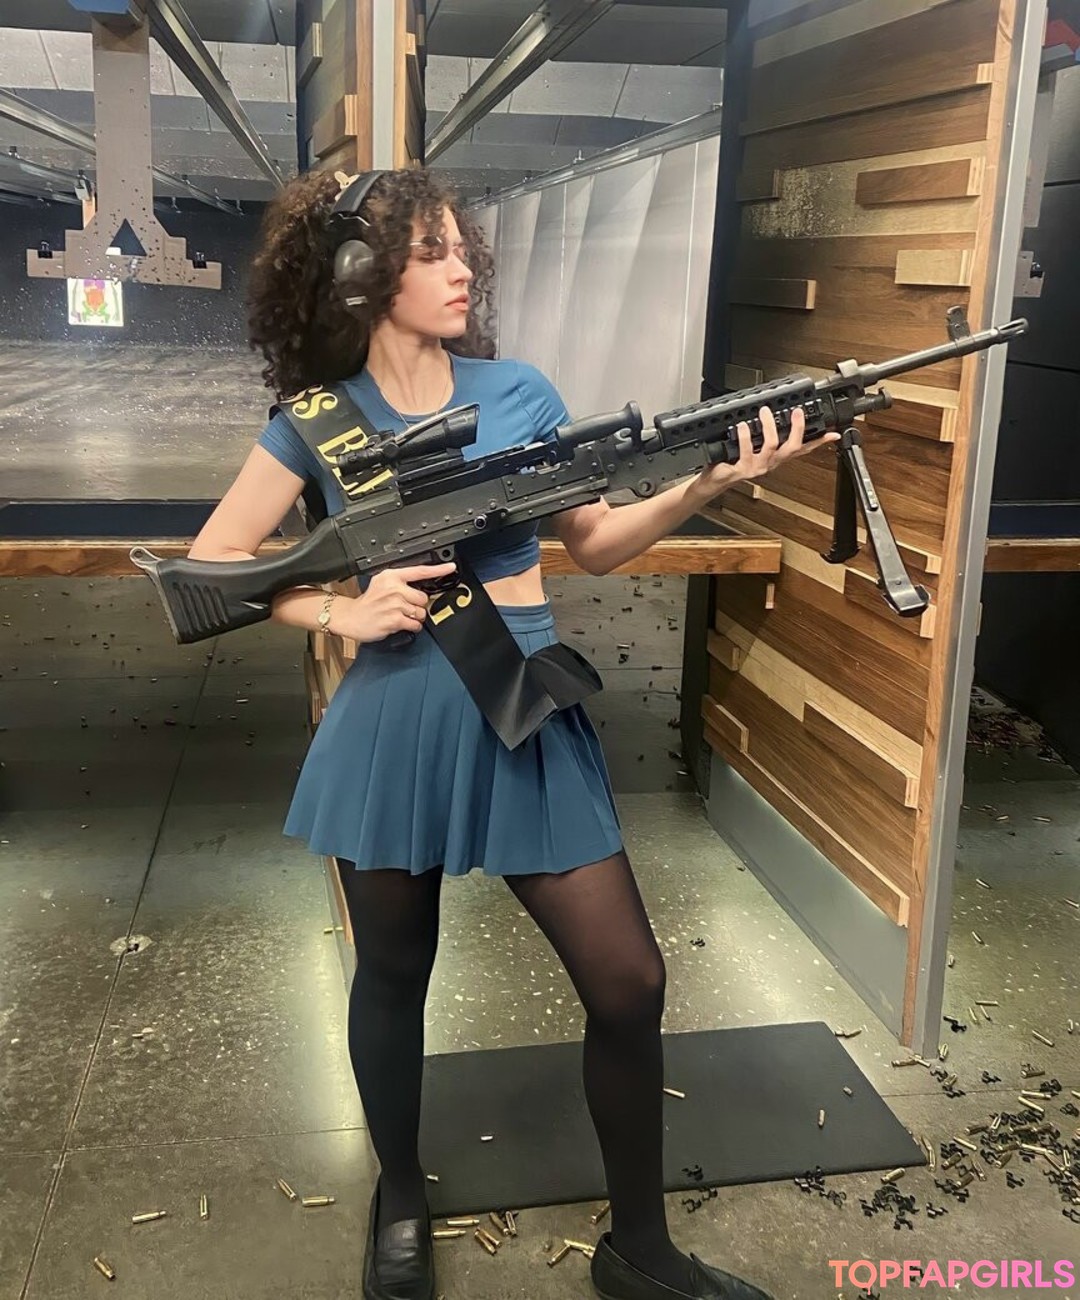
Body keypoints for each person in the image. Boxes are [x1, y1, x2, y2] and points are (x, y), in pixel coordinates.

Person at [188, 166, 836, 1300]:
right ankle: (401, 1193)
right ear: (362, 275)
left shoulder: (521, 391)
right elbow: (211, 569)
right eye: (433, 251)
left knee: (628, 980)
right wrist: (340, 610)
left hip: (521, 704)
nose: (463, 270)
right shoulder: (316, 423)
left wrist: (704, 483)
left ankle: (640, 1250)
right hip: (395, 719)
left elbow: (595, 544)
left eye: (462, 249)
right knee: (394, 975)